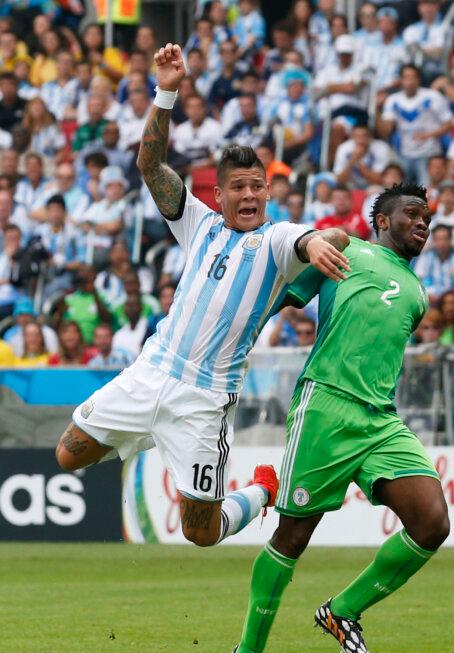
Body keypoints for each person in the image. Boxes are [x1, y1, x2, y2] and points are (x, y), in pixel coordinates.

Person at [54, 44, 350, 551]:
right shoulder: (198, 224)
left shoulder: (275, 242)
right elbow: (149, 164)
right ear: (220, 196)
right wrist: (167, 91)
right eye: (239, 187)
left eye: (259, 186)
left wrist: (322, 242)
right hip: (150, 374)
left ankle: (263, 489)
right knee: (67, 455)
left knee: (201, 533)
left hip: (203, 401)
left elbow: (310, 238)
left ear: (268, 193)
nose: (251, 195)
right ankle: (146, 431)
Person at [227, 183, 449, 653]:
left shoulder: (419, 295)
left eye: (428, 217)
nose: (423, 222)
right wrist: (235, 341)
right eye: (412, 214)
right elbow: (281, 295)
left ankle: (342, 610)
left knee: (432, 522)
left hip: (380, 420)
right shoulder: (344, 249)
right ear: (382, 220)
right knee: (293, 537)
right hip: (326, 407)